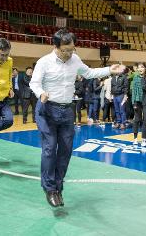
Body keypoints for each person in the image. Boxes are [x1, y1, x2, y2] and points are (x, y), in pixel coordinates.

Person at [29, 28, 125, 208]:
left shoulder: (74, 59)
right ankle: (49, 188)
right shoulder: (44, 62)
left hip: (67, 111)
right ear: (56, 47)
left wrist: (109, 70)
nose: (70, 53)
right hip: (47, 109)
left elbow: (88, 73)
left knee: (65, 150)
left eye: (72, 49)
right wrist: (41, 93)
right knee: (49, 149)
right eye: (66, 50)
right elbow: (34, 82)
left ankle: (57, 186)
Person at [131, 62, 146, 145]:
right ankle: (135, 138)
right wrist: (134, 103)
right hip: (138, 102)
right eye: (139, 67)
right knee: (136, 120)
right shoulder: (135, 78)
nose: (140, 69)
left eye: (142, 67)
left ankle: (144, 138)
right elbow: (133, 91)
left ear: (145, 69)